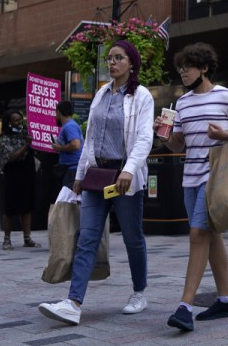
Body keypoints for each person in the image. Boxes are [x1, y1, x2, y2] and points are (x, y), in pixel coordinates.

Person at [39, 40, 154, 326]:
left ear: (131, 64)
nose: (112, 63)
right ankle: (73, 303)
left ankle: (139, 292)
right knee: (87, 237)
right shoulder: (101, 94)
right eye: (111, 58)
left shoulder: (141, 96)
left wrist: (129, 170)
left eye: (119, 58)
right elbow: (90, 139)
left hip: (124, 178)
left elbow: (143, 138)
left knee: (132, 238)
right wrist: (80, 175)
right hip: (96, 176)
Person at [155, 42, 228, 332]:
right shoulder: (182, 103)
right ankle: (225, 300)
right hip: (191, 177)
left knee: (198, 233)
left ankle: (185, 306)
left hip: (216, 175)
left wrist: (225, 134)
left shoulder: (226, 96)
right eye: (180, 68)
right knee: (212, 238)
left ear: (204, 68)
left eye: (188, 67)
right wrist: (163, 134)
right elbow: (178, 145)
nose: (183, 72)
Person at [0, 110, 41, 250]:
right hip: (12, 176)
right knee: (10, 208)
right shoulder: (5, 139)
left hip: (26, 174)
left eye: (20, 120)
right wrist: (27, 145)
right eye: (15, 120)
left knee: (26, 207)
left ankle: (27, 238)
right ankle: (7, 239)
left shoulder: (25, 134)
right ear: (9, 123)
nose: (19, 123)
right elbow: (13, 156)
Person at [52, 100, 83, 190]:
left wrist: (59, 148)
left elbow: (76, 145)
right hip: (70, 168)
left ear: (58, 112)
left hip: (72, 169)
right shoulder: (68, 125)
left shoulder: (70, 126)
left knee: (68, 199)